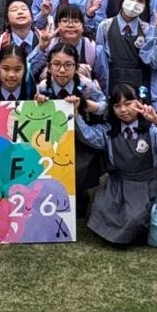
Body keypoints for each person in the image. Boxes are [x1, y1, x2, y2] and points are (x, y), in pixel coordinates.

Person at [87, 84, 157, 246]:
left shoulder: (151, 130)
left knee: (135, 217)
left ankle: (131, 232)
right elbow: (87, 135)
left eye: (128, 103)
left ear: (139, 102)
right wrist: (75, 115)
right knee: (100, 208)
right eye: (117, 106)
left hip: (144, 185)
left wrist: (156, 120)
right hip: (117, 183)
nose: (123, 110)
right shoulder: (108, 131)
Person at [37, 43, 108, 222]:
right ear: (49, 67)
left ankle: (80, 196)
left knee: (79, 169)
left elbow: (104, 104)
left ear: (76, 67)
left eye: (68, 65)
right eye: (56, 64)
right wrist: (38, 102)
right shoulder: (43, 87)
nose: (62, 70)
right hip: (52, 137)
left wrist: (90, 106)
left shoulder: (85, 84)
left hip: (79, 136)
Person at [94, 0, 157, 110]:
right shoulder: (105, 27)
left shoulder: (148, 30)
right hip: (113, 86)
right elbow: (101, 63)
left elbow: (155, 63)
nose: (134, 3)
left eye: (140, 1)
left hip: (140, 88)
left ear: (146, 5)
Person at [0, 0, 48, 78]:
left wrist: (42, 49)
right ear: (7, 20)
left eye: (24, 9)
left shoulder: (44, 39)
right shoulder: (0, 43)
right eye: (14, 10)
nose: (20, 12)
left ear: (32, 18)